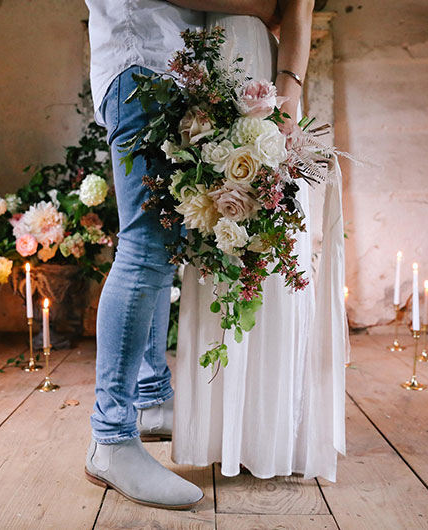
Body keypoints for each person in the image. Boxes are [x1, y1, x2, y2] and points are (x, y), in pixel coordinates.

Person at [83, 0, 281, 510]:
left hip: (158, 65)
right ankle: (110, 439)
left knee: (162, 248)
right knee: (146, 249)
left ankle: (149, 401)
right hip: (141, 64)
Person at [172, 0, 349, 482]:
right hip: (205, 74)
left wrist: (287, 100)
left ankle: (270, 434)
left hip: (255, 67)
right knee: (215, 242)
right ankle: (220, 432)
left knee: (269, 249)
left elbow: (298, 5)